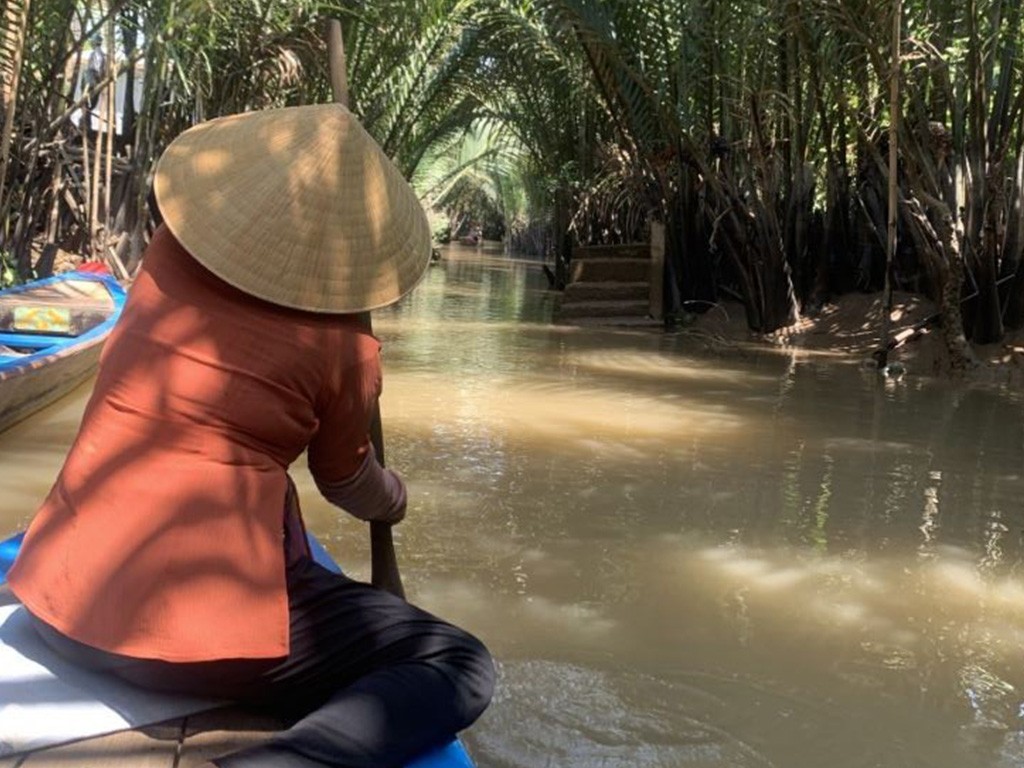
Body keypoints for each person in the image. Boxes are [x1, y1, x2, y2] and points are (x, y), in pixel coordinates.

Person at [7, 104, 494, 768]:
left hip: (55, 592)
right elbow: (348, 481)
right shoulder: (346, 346)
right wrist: (394, 498)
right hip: (175, 637)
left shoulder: (165, 258)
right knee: (458, 662)